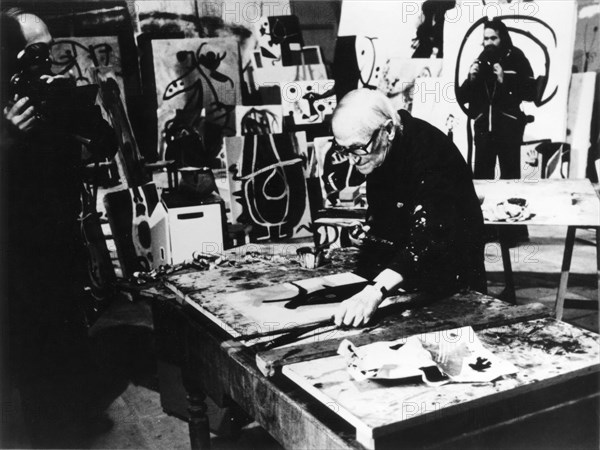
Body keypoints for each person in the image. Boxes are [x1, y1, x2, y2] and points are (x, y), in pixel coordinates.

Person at [1, 8, 117, 446]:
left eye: (48, 52)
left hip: (60, 235)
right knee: (27, 345)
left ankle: (71, 422)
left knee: (66, 331)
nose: (44, 62)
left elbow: (104, 139)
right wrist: (7, 138)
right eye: (33, 53)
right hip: (14, 245)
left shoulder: (54, 92)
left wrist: (75, 130)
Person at [331, 89, 486, 328]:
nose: (353, 159)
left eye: (358, 148)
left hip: (452, 276)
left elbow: (429, 239)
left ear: (389, 130)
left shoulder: (431, 154)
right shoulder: (378, 149)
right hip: (404, 277)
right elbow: (384, 224)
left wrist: (375, 291)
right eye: (344, 149)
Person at [457, 17, 536, 180]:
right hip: (483, 131)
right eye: (486, 39)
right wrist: (471, 78)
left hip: (509, 129)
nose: (489, 43)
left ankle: (511, 206)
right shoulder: (481, 60)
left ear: (503, 38)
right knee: (481, 179)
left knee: (510, 177)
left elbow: (531, 92)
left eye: (494, 38)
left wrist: (504, 79)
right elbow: (462, 96)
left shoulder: (516, 58)